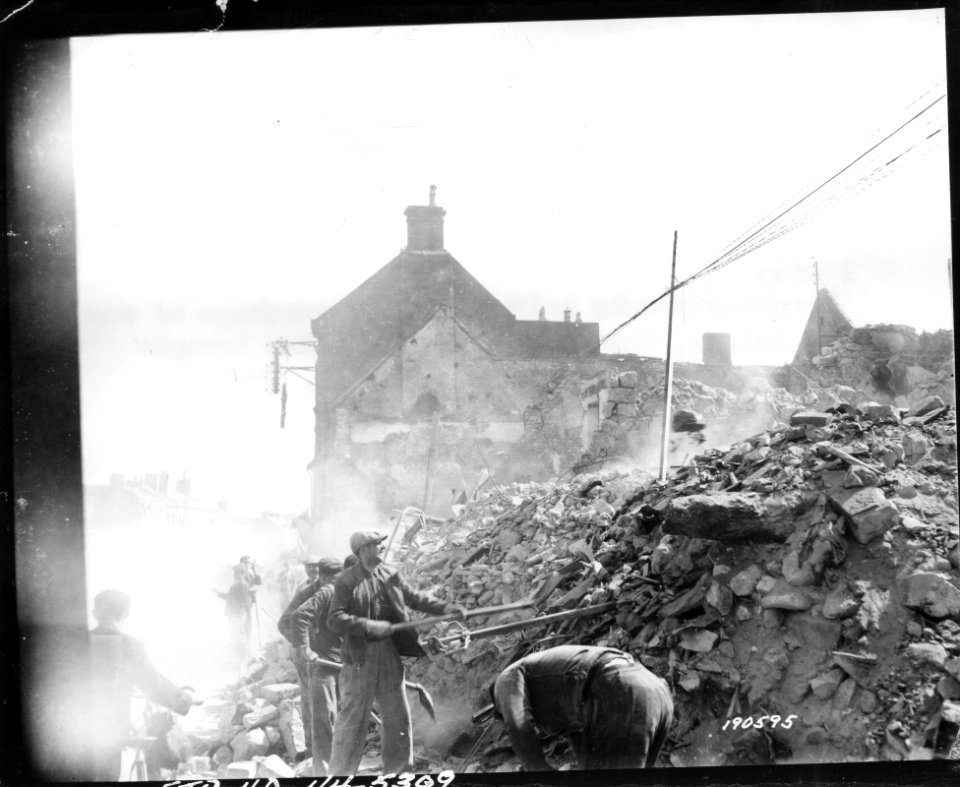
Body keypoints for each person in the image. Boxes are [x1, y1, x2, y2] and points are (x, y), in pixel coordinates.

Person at [326, 531, 464, 775]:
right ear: (363, 550)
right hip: (360, 657)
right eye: (375, 545)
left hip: (388, 653)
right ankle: (339, 776)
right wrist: (367, 625)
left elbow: (415, 598)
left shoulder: (390, 573)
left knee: (397, 717)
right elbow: (335, 619)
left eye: (379, 544)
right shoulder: (345, 581)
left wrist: (446, 608)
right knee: (352, 720)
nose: (380, 548)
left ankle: (399, 774)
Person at [490, 645, 673, 771]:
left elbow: (517, 722)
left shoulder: (506, 679)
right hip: (655, 691)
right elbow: (578, 736)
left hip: (621, 690)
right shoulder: (555, 688)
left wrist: (539, 772)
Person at [88, 589, 194, 781]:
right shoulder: (129, 645)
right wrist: (183, 700)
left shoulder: (74, 643)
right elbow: (152, 684)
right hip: (109, 734)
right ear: (125, 614)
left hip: (71, 732)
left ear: (95, 613)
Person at [278, 556, 341, 762]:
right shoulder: (305, 593)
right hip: (310, 658)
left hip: (332, 656)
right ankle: (314, 752)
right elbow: (285, 623)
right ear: (322, 577)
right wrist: (305, 645)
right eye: (310, 568)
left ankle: (336, 748)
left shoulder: (338, 590)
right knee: (312, 703)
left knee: (334, 703)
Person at [291, 558, 349, 775]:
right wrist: (305, 649)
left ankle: (339, 768)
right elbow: (297, 617)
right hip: (322, 665)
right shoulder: (323, 592)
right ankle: (322, 771)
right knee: (323, 720)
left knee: (338, 717)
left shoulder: (342, 592)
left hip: (339, 662)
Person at [214, 559, 261, 656]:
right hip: (234, 613)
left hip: (238, 614)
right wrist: (218, 593)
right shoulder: (236, 585)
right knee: (236, 635)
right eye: (235, 573)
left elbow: (244, 601)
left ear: (242, 574)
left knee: (240, 635)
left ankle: (246, 656)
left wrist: (239, 613)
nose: (235, 575)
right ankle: (245, 655)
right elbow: (228, 597)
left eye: (238, 573)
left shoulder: (242, 585)